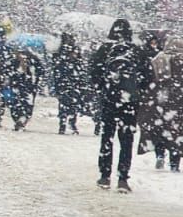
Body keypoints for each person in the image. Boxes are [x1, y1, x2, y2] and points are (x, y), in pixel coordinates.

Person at [88, 19, 145, 190]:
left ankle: (105, 176)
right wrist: (136, 91)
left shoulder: (105, 49)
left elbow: (93, 73)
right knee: (126, 139)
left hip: (109, 100)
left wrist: (103, 89)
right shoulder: (136, 51)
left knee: (107, 137)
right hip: (129, 102)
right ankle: (123, 178)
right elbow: (149, 76)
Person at [139, 35, 183, 173]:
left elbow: (149, 78)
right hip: (179, 100)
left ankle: (159, 154)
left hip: (159, 99)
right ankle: (175, 162)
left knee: (159, 128)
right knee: (177, 131)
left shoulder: (159, 58)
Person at [50, 32, 86, 135]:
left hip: (66, 80)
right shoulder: (63, 51)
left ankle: (65, 123)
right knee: (70, 103)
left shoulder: (61, 52)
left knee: (66, 103)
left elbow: (56, 66)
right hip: (69, 80)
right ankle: (68, 123)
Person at [4, 48, 42, 131]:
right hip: (16, 87)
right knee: (15, 106)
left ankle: (22, 120)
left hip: (28, 88)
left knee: (27, 106)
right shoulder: (13, 61)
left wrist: (35, 81)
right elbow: (7, 72)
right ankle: (19, 120)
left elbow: (39, 73)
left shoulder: (33, 62)